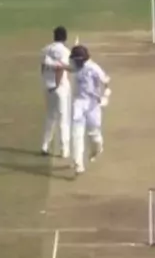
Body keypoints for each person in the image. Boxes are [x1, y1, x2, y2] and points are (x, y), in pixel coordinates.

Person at [69, 45, 111, 175]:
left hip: (93, 105)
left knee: (94, 136)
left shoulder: (94, 68)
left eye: (76, 60)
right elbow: (68, 67)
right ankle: (78, 164)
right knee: (77, 134)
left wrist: (105, 95)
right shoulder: (75, 66)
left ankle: (97, 149)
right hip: (78, 103)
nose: (74, 62)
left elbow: (106, 81)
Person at [40, 26, 72, 158]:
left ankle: (45, 146)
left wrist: (47, 83)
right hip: (60, 88)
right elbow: (60, 69)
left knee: (50, 117)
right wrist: (57, 85)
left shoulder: (45, 50)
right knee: (63, 119)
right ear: (65, 37)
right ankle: (64, 150)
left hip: (47, 87)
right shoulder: (65, 51)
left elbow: (43, 67)